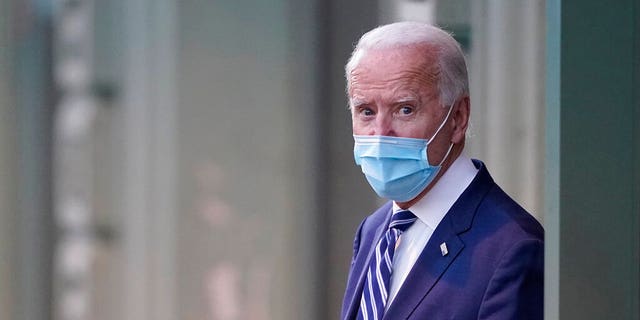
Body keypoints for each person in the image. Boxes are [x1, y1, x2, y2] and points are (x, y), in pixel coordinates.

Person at [340, 21, 544, 320]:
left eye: (405, 109)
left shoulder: (513, 248)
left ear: (458, 118)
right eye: (366, 111)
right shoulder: (374, 230)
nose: (381, 132)